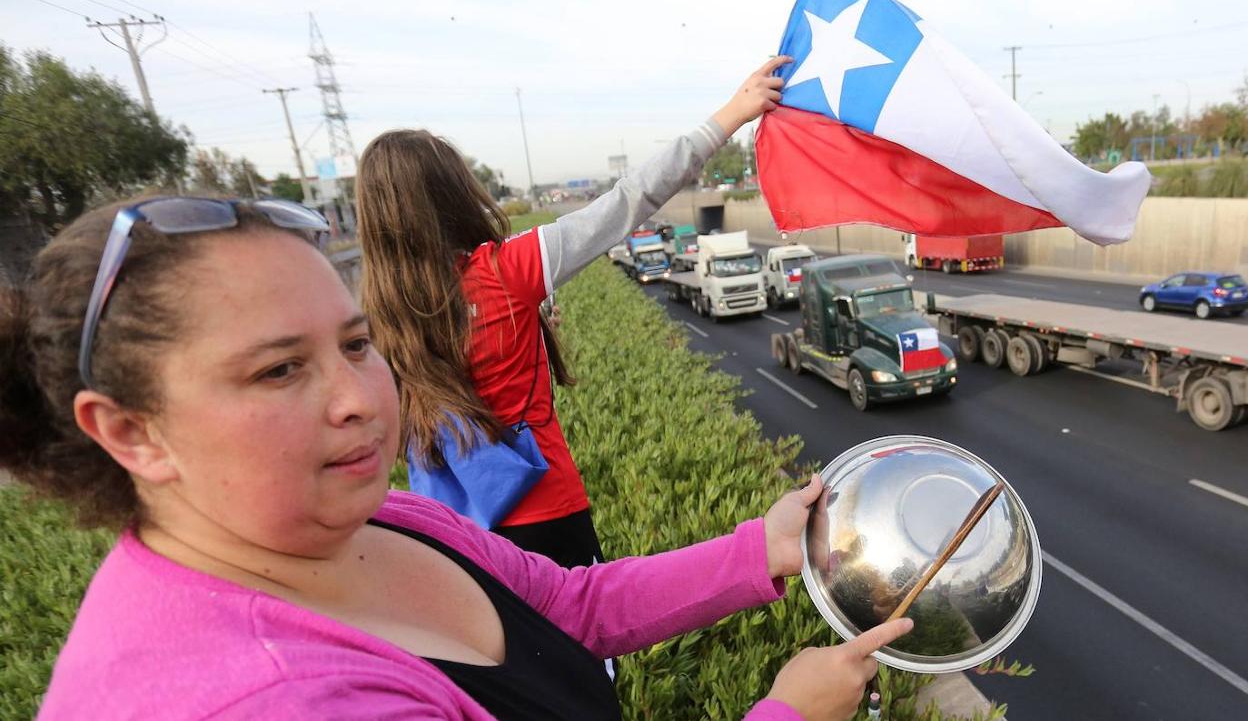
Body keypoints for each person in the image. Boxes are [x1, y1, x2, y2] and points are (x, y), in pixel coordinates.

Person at [1, 196, 912, 720]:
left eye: (356, 344)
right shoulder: (264, 699)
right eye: (279, 370)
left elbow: (567, 604)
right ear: (130, 432)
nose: (360, 397)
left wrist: (766, 547)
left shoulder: (377, 518)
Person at [354, 56, 792, 568]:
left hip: (453, 534)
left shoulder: (375, 315)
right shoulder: (505, 271)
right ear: (452, 195)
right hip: (545, 513)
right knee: (585, 637)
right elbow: (629, 200)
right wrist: (732, 114)